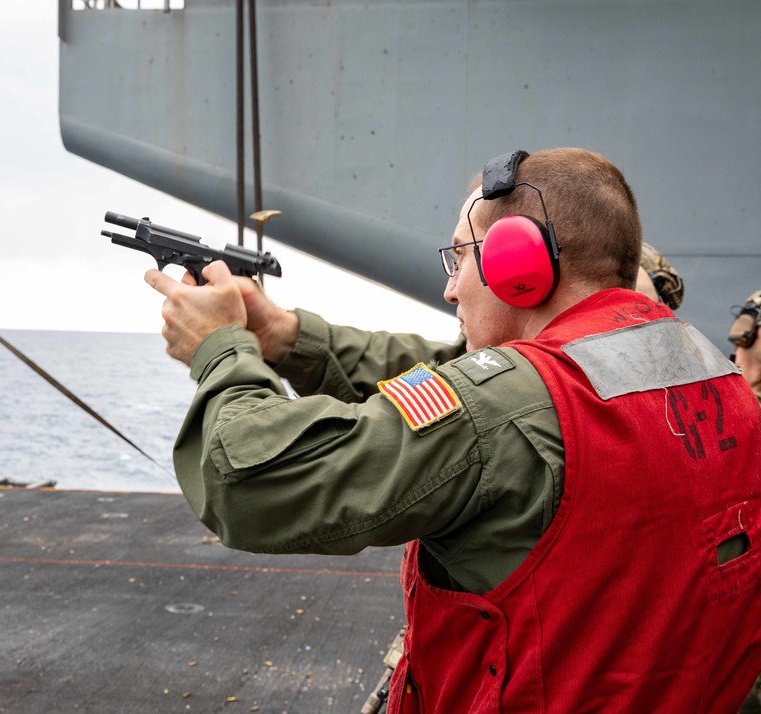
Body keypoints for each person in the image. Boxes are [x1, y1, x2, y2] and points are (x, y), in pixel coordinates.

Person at [145, 148, 761, 712]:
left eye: (459, 256)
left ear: (519, 262)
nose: (448, 286)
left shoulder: (512, 406)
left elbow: (249, 481)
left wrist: (219, 349)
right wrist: (285, 337)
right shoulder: (709, 376)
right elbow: (457, 383)